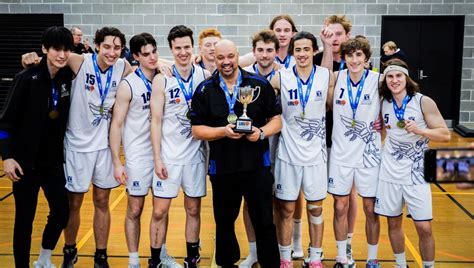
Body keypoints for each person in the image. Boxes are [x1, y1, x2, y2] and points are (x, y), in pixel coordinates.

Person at [21, 26, 134, 268]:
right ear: (97, 46)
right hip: (76, 146)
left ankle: (100, 255)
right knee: (73, 204)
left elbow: (148, 65)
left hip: (104, 147)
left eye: (117, 48)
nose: (112, 52)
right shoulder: (79, 61)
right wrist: (29, 56)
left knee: (102, 202)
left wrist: (164, 62)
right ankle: (69, 250)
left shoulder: (124, 67)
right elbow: (50, 56)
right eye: (106, 46)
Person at [191, 39, 281, 267]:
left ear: (237, 55)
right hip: (223, 169)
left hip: (257, 167)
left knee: (264, 222)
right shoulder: (205, 89)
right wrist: (222, 131)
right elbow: (196, 130)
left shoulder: (259, 84)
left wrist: (260, 133)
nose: (226, 62)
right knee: (224, 223)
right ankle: (227, 263)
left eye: (230, 56)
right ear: (214, 58)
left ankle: (270, 263)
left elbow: (276, 121)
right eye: (220, 58)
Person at [0, 26, 73, 268]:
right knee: (24, 220)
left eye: (66, 50)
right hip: (24, 164)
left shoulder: (66, 77)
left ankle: (43, 257)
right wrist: (7, 157)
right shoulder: (25, 78)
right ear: (44, 49)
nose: (61, 55)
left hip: (52, 162)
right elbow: (4, 123)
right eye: (56, 49)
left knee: (62, 211)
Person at [109, 32, 181, 268]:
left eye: (154, 52)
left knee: (161, 208)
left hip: (163, 152)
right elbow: (116, 125)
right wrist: (117, 162)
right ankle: (133, 260)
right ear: (136, 56)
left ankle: (160, 255)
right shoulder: (128, 84)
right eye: (146, 54)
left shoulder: (166, 76)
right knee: (135, 208)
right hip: (138, 155)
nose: (152, 58)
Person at [375, 59, 450, 268]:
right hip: (389, 172)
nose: (394, 80)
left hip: (417, 174)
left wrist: (421, 131)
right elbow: (382, 131)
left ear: (406, 78)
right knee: (393, 222)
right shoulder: (384, 102)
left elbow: (445, 135)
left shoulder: (423, 102)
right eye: (390, 76)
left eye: (398, 75)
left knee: (424, 227)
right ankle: (401, 264)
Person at [269, 31, 333, 268]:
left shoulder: (326, 76)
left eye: (307, 49)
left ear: (314, 51)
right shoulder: (280, 77)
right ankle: (284, 257)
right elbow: (259, 95)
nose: (302, 54)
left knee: (315, 208)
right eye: (298, 50)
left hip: (316, 155)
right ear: (292, 52)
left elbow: (335, 105)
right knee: (286, 209)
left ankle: (315, 257)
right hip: (287, 154)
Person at [150, 25, 211, 268]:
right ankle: (155, 260)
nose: (183, 52)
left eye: (187, 47)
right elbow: (154, 122)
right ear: (171, 49)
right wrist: (157, 158)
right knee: (158, 211)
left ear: (193, 47)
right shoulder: (162, 79)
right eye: (178, 48)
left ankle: (192, 259)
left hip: (195, 156)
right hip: (169, 157)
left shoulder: (204, 77)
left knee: (193, 210)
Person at [329, 38, 382, 268]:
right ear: (344, 58)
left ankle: (372, 259)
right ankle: (342, 256)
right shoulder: (335, 78)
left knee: (371, 208)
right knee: (340, 206)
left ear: (367, 59)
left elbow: (403, 94)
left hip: (369, 155)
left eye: (359, 55)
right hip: (341, 154)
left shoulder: (379, 80)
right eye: (350, 55)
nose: (354, 60)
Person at [316, 15, 359, 265]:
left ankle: (348, 244)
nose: (333, 38)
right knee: (315, 195)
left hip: (346, 143)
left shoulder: (357, 64)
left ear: (347, 37)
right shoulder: (315, 60)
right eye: (328, 34)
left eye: (338, 34)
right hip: (319, 139)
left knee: (347, 196)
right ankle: (313, 246)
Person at [240, 29, 280, 268]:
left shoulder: (285, 76)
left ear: (276, 52)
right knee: (250, 201)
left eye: (269, 50)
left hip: (280, 145)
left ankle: (284, 249)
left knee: (280, 202)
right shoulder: (243, 78)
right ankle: (253, 252)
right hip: (252, 149)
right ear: (253, 52)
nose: (264, 55)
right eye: (260, 50)